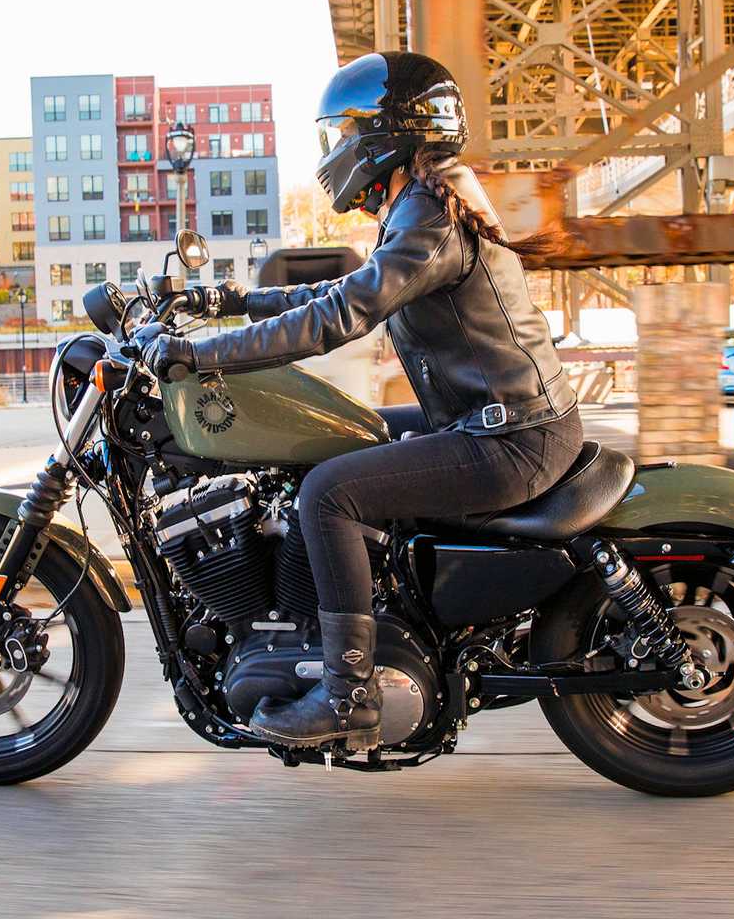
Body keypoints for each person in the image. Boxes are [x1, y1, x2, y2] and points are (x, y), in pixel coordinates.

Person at [143, 52, 583, 751]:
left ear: (385, 135)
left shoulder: (430, 214)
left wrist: (200, 354)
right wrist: (227, 300)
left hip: (508, 438)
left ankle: (348, 696)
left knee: (327, 493)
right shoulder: (429, 200)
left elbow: (337, 317)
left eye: (339, 135)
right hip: (493, 421)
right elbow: (334, 293)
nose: (334, 153)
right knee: (349, 443)